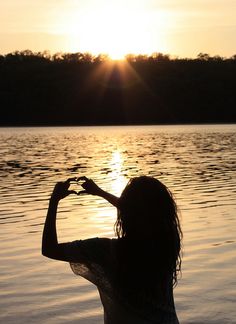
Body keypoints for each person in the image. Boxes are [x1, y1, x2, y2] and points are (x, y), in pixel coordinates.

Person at [42, 176, 182, 324]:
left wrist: (54, 201)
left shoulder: (106, 251)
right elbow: (145, 214)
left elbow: (49, 249)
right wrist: (100, 193)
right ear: (167, 210)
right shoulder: (169, 242)